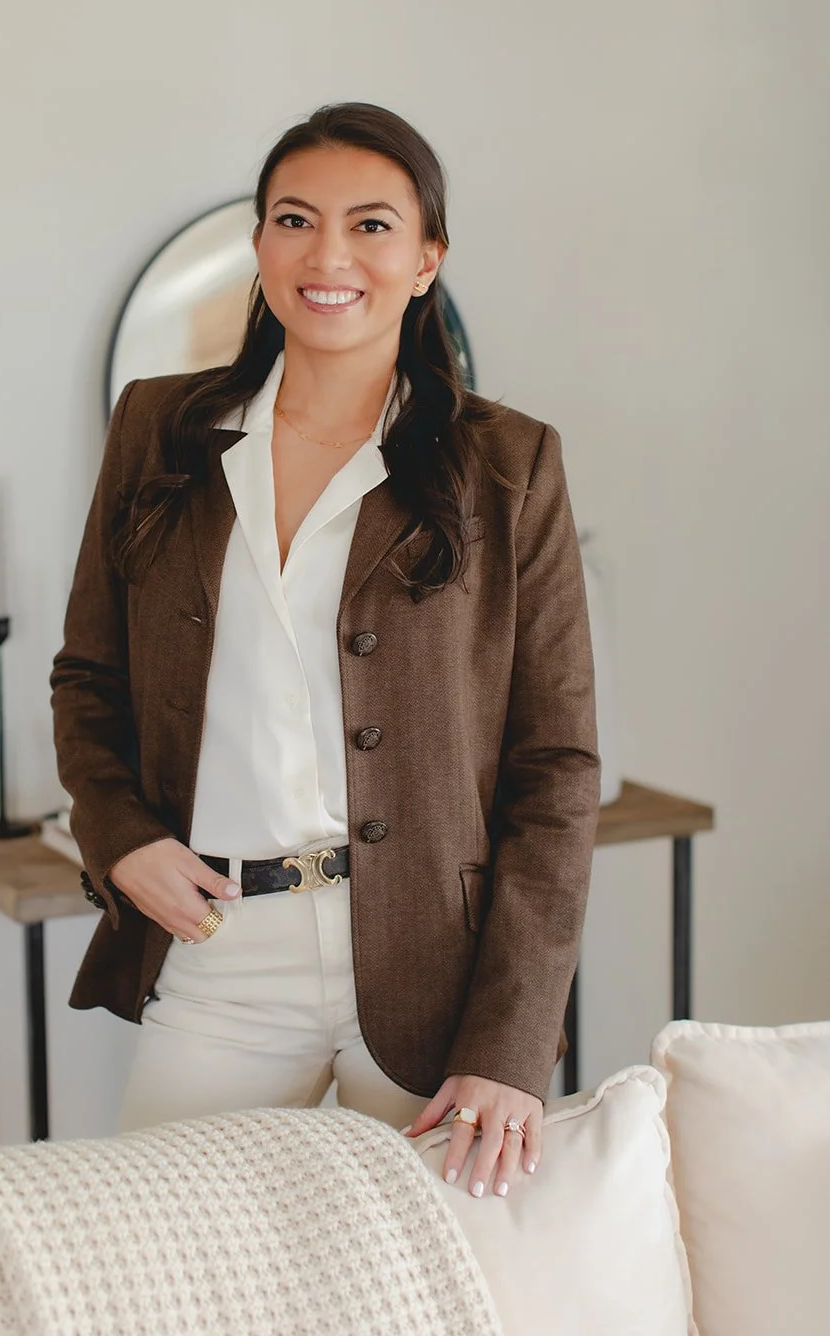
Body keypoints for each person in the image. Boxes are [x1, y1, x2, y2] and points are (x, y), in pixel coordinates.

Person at [50, 102, 601, 1201]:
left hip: (429, 966)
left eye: (371, 225)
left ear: (424, 259)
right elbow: (87, 677)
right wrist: (118, 837)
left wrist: (507, 1043)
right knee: (164, 1276)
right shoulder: (158, 432)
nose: (328, 254)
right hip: (220, 947)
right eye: (294, 220)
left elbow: (556, 769)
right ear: (258, 247)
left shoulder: (507, 464)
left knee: (426, 1296)